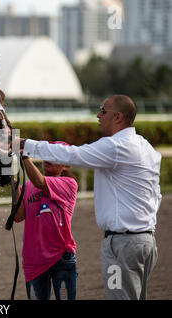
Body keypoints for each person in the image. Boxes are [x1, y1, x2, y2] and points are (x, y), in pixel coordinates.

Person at [19, 95, 161, 300]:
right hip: (145, 242)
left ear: (118, 117)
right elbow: (156, 194)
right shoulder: (146, 147)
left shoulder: (115, 146)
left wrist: (24, 144)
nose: (98, 115)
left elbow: (73, 155)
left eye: (103, 111)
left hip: (121, 246)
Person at [14, 141, 78, 300]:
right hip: (33, 261)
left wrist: (24, 156)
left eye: (54, 156)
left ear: (66, 166)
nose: (47, 159)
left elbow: (40, 182)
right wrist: (14, 186)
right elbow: (18, 216)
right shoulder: (27, 187)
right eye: (45, 155)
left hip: (61, 257)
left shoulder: (69, 184)